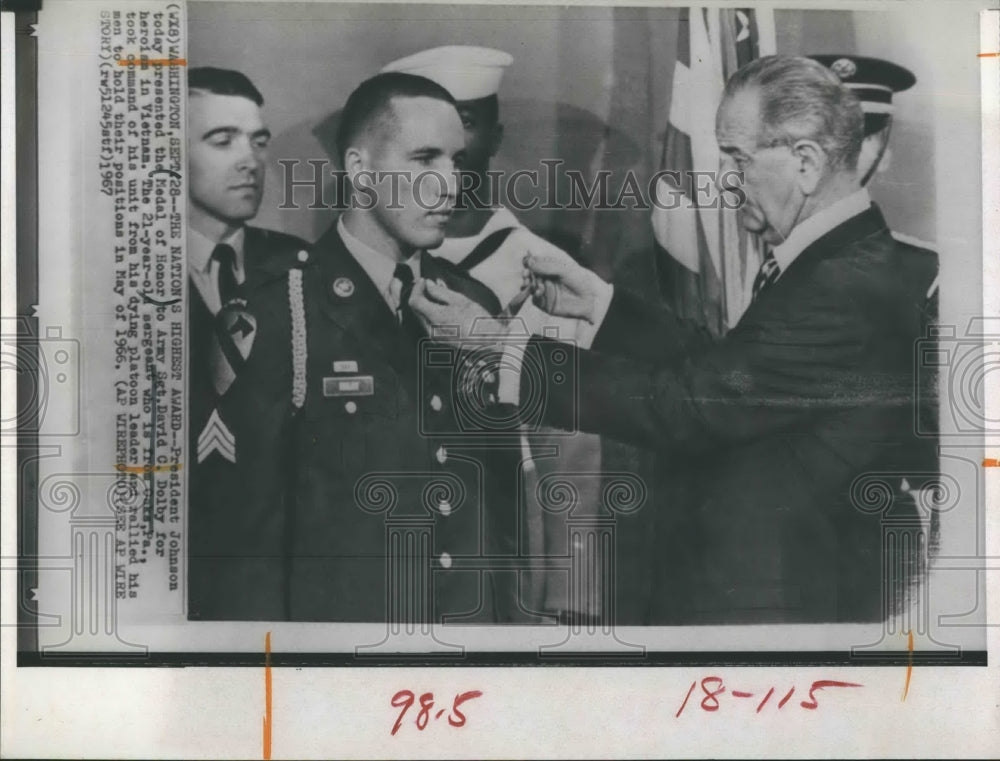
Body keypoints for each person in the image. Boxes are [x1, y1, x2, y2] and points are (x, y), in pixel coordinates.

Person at [412, 55, 939, 624]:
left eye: (737, 159)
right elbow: (732, 375)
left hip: (786, 608)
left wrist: (501, 350)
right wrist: (600, 304)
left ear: (806, 163)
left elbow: (694, 406)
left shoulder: (843, 283)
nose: (725, 181)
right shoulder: (834, 262)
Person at [381, 45, 606, 622]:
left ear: (495, 138)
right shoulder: (373, 265)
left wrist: (569, 598)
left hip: (504, 561)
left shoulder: (542, 268)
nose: (449, 148)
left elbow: (574, 444)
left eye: (467, 123)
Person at [289, 72, 523, 623]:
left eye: (456, 162)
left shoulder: (472, 301)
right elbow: (249, 542)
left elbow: (502, 503)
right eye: (424, 160)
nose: (449, 184)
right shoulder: (283, 307)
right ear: (359, 171)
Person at [185, 67, 312, 620]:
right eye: (222, 140)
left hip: (281, 590)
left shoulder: (303, 270)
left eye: (258, 141)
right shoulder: (119, 274)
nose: (250, 159)